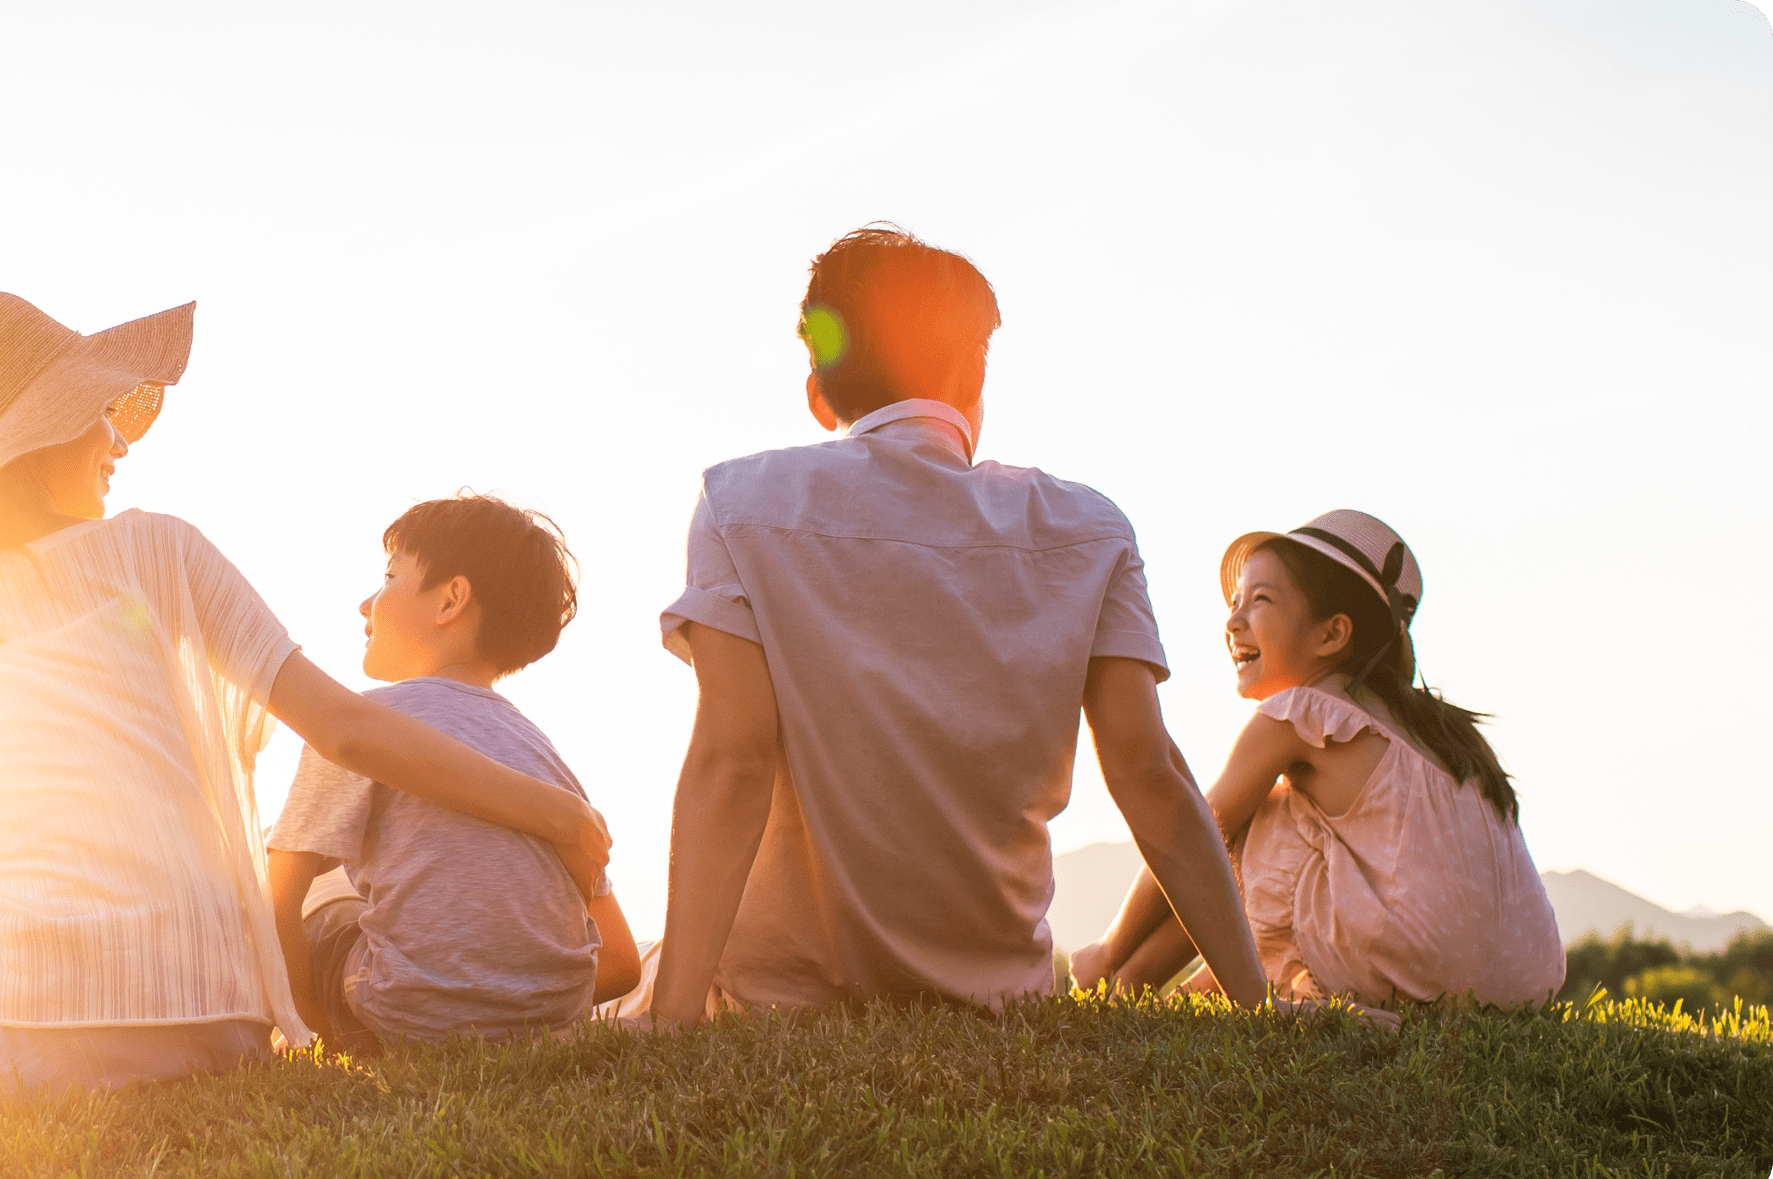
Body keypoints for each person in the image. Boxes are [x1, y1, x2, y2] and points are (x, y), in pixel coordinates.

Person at [0, 294, 610, 1156]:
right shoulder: (161, 550)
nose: (118, 439)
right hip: (213, 1031)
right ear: (44, 431)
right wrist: (557, 815)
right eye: (96, 415)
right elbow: (345, 730)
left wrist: (72, 963)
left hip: (24, 1023)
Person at [647, 225, 1269, 1020]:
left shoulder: (739, 503)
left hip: (783, 999)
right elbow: (1149, 777)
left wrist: (666, 1021)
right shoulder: (1089, 528)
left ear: (818, 392)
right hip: (1000, 1002)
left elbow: (731, 763)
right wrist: (1257, 1004)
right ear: (975, 369)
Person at [1070, 512, 1564, 1005]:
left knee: (1249, 816)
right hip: (1522, 982)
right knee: (1288, 815)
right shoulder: (1436, 730)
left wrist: (1110, 947)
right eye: (1234, 601)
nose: (1233, 620)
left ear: (1332, 635)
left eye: (1260, 600)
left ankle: (1123, 976)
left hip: (1417, 969)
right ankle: (1146, 986)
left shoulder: (1302, 712)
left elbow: (1190, 829)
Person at [263, 495, 643, 1053]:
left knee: (318, 881)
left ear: (451, 599)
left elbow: (278, 901)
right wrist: (516, 1009)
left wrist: (317, 1025)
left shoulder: (360, 722)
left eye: (389, 577)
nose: (365, 602)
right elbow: (623, 964)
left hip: (399, 1011)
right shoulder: (545, 759)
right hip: (548, 1024)